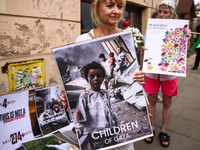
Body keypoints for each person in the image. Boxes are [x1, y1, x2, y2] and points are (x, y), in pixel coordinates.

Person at [61, 0, 145, 149]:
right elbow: (80, 113)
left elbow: (135, 73)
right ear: (96, 8)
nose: (116, 11)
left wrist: (140, 78)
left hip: (119, 139)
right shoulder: (83, 40)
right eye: (110, 5)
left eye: (120, 6)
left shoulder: (128, 36)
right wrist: (65, 97)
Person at [144, 0, 191, 147]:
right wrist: (143, 47)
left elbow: (183, 52)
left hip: (169, 74)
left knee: (167, 102)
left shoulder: (179, 29)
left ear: (171, 13)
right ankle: (151, 128)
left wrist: (186, 38)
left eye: (166, 12)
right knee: (151, 100)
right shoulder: (151, 28)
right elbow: (145, 47)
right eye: (160, 11)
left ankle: (163, 130)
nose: (162, 15)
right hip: (152, 72)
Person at [74, 61, 118, 149]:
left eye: (99, 75)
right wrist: (78, 127)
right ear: (87, 78)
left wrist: (115, 123)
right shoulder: (85, 95)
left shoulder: (105, 93)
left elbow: (110, 110)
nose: (96, 78)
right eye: (92, 76)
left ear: (103, 77)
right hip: (96, 135)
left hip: (110, 132)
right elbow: (78, 112)